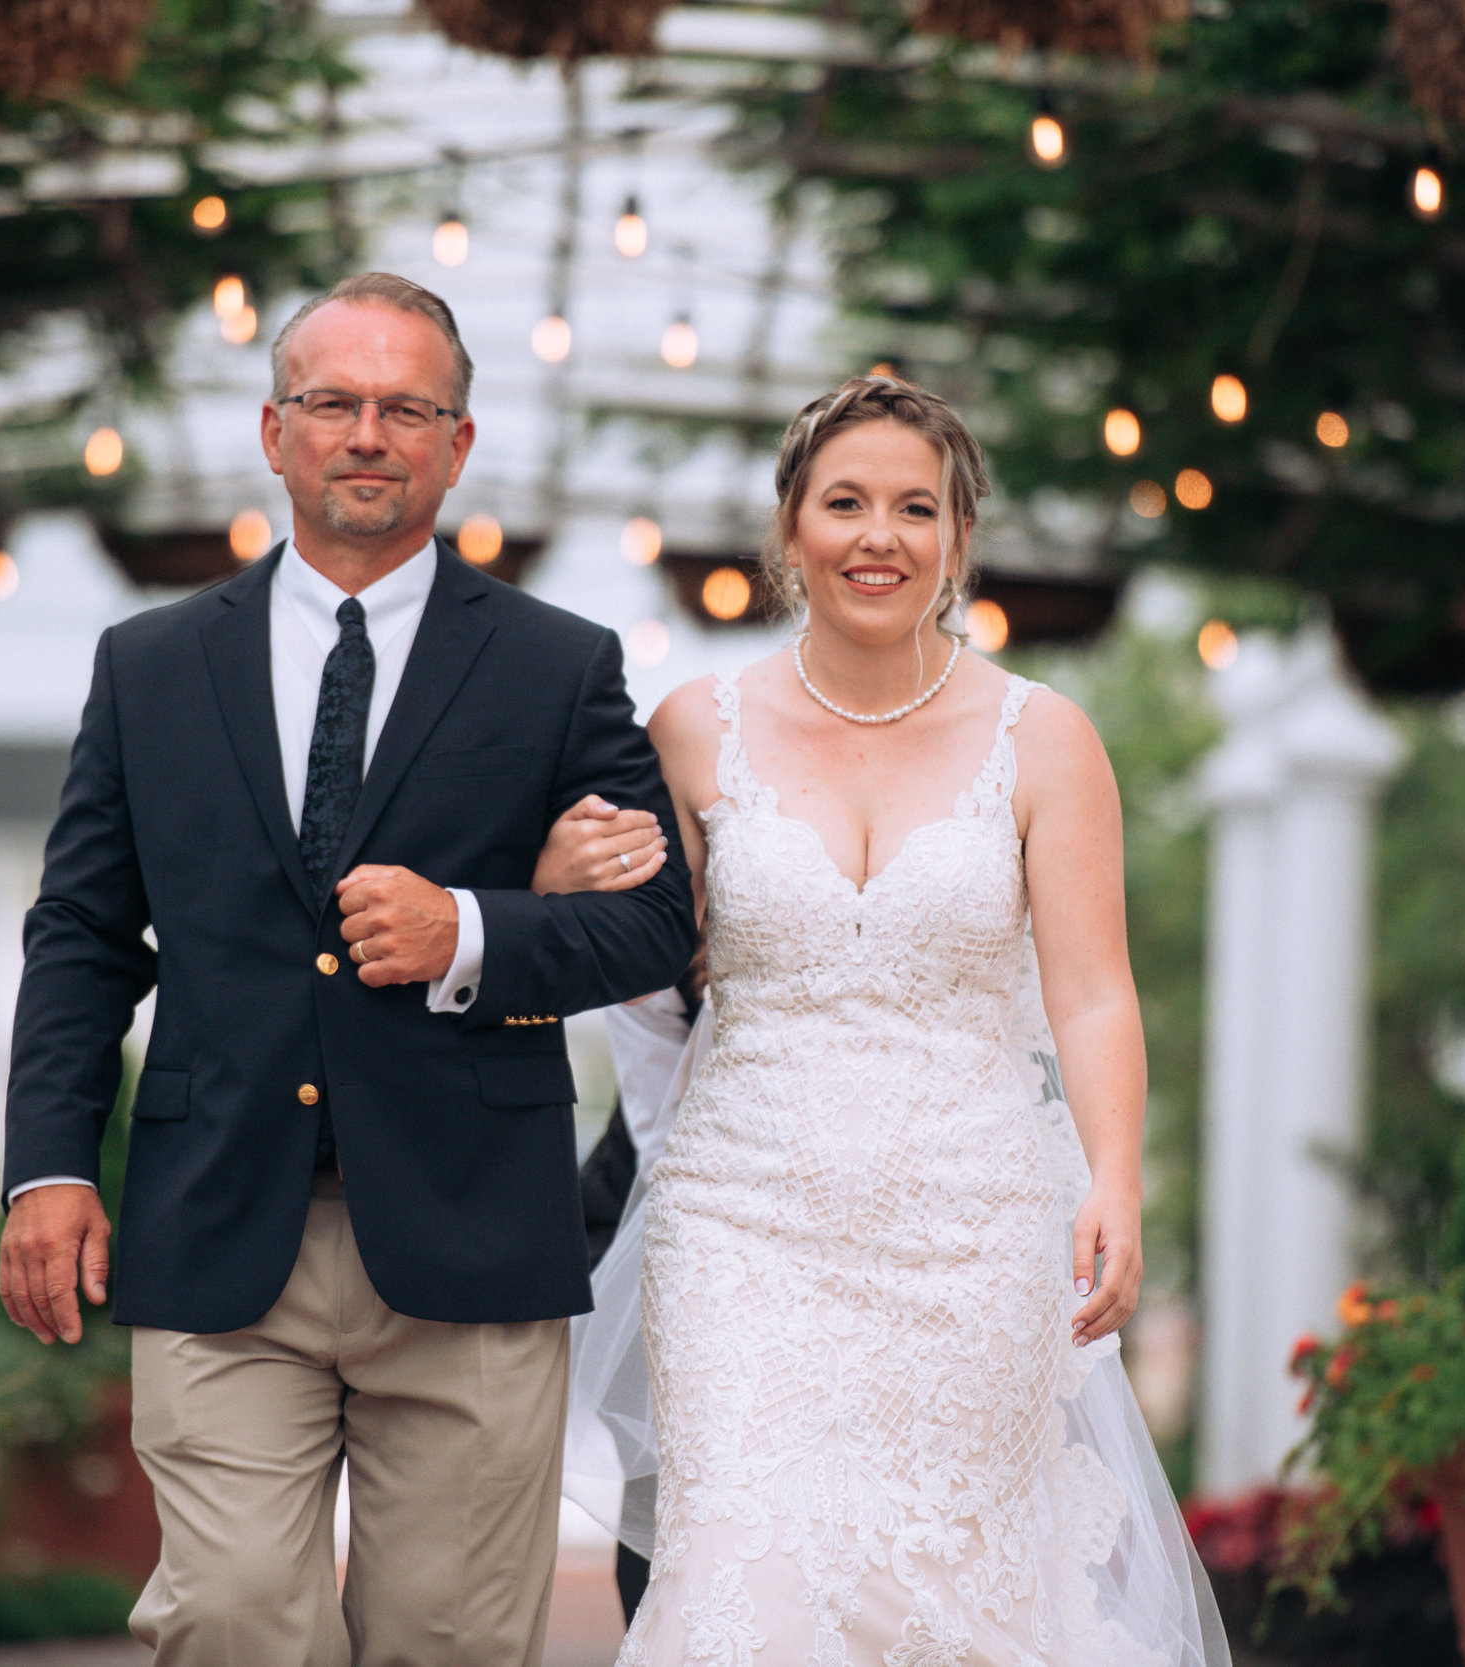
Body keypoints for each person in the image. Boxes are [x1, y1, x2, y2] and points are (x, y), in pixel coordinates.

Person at [0, 271, 696, 1667]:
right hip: (217, 1227)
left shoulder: (560, 668)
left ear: (457, 442)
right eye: (334, 403)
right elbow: (81, 932)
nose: (367, 433)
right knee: (236, 1620)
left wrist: (472, 936)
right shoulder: (148, 665)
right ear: (274, 432)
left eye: (405, 408)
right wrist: (49, 1166)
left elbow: (658, 924)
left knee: (446, 1643)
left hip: (471, 1231)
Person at [551, 374, 1229, 1663]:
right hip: (740, 1225)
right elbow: (639, 956)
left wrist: (1118, 1176)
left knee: (951, 1597)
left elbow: (1092, 992)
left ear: (959, 537)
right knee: (743, 1584)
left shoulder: (1048, 741)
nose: (881, 536)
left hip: (975, 1227)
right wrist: (551, 879)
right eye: (845, 503)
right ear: (789, 530)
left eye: (916, 508)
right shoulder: (696, 729)